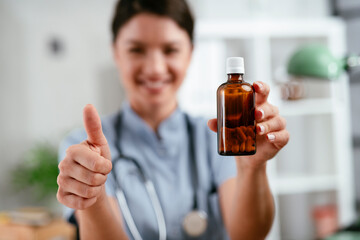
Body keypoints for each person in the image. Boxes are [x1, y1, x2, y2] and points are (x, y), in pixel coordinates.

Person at [56, 0, 289, 239]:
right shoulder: (84, 150)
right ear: (116, 52)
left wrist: (253, 169)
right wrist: (92, 196)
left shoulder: (222, 135)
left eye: (170, 50)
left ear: (190, 53)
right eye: (136, 49)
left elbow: (248, 235)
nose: (155, 68)